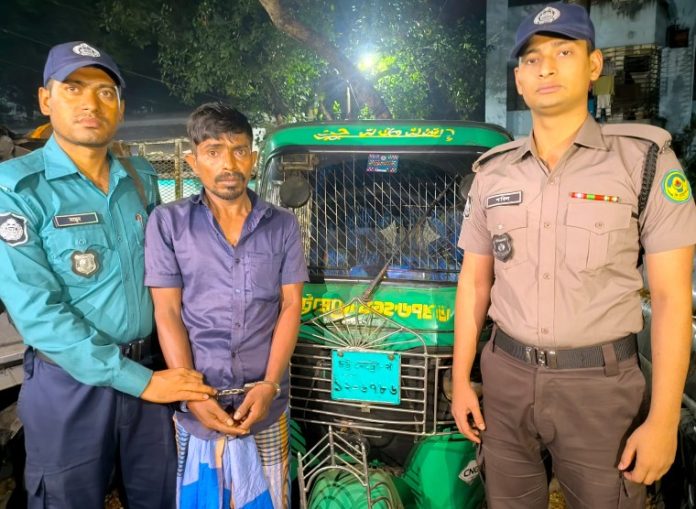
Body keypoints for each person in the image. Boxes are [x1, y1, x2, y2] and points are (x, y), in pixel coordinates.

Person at [451, 3, 696, 508]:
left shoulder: (644, 163)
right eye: (532, 59)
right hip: (506, 380)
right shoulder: (493, 174)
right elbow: (474, 282)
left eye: (564, 53)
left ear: (593, 66)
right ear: (519, 80)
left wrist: (663, 420)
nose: (546, 68)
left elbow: (672, 298)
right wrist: (460, 379)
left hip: (601, 392)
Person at [0, 41, 216, 509]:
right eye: (73, 88)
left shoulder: (139, 176)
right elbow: (37, 311)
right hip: (70, 387)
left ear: (120, 107)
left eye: (105, 92)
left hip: (150, 372)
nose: (91, 104)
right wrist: (144, 382)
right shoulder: (17, 188)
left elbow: (169, 274)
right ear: (45, 99)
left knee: (161, 498)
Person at [144, 102, 308, 508]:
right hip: (200, 405)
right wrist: (193, 395)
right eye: (214, 151)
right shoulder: (168, 223)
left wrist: (269, 385)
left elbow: (291, 306)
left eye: (239, 150)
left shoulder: (283, 225)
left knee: (270, 498)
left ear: (253, 158)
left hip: (265, 403)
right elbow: (167, 312)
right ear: (193, 161)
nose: (228, 164)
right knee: (203, 499)